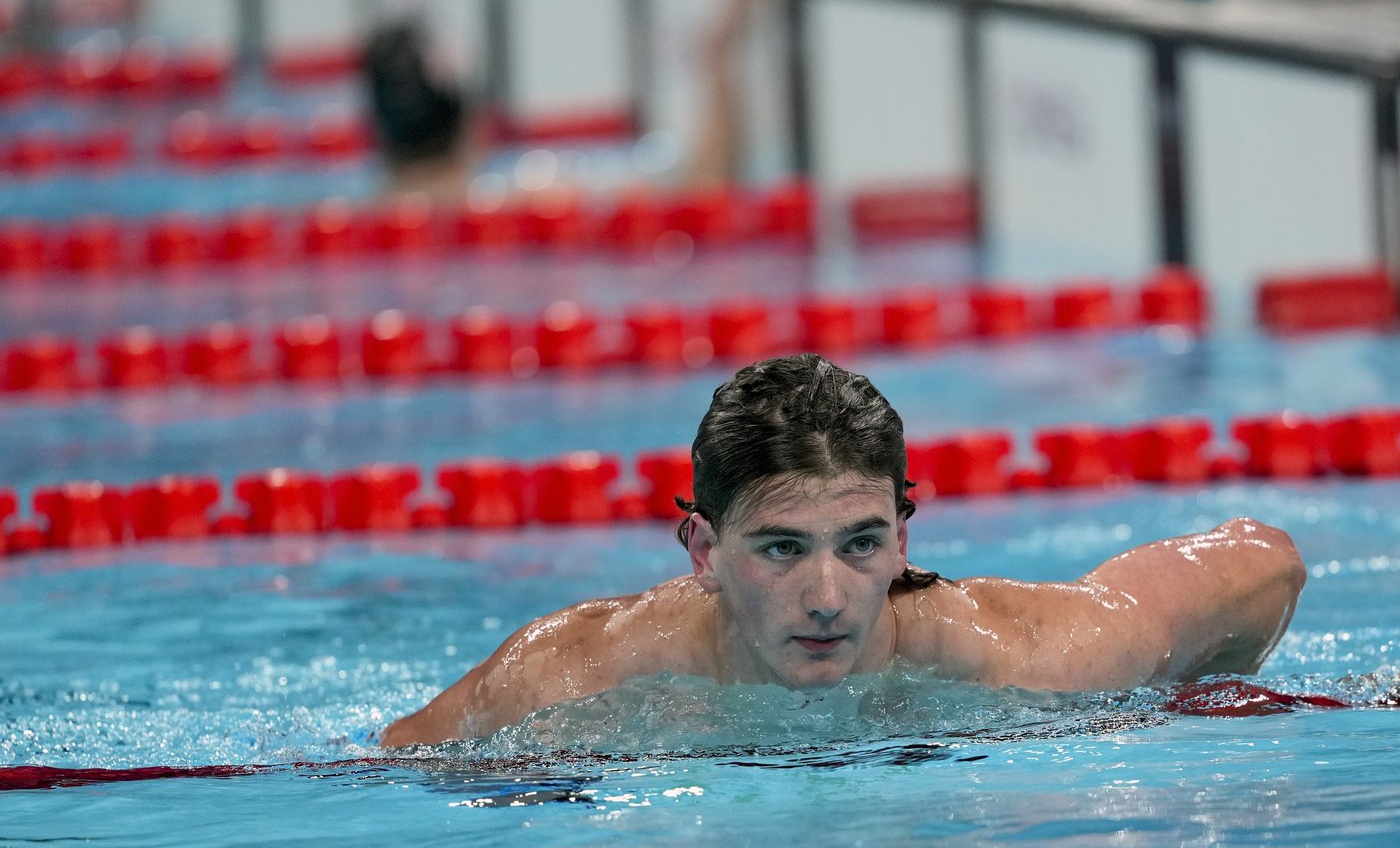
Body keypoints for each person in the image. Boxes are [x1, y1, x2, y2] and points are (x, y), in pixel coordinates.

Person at [380, 353, 1307, 746]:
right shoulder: (569, 678)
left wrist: (1184, 699)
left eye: (860, 544)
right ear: (702, 549)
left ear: (904, 541)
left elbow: (1263, 562)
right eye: (780, 549)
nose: (827, 594)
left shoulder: (1020, 653)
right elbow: (388, 768)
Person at [362, 0, 766, 201]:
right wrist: (717, 54)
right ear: (475, 125)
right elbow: (705, 193)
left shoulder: (346, 220)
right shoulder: (525, 206)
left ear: (374, 129)